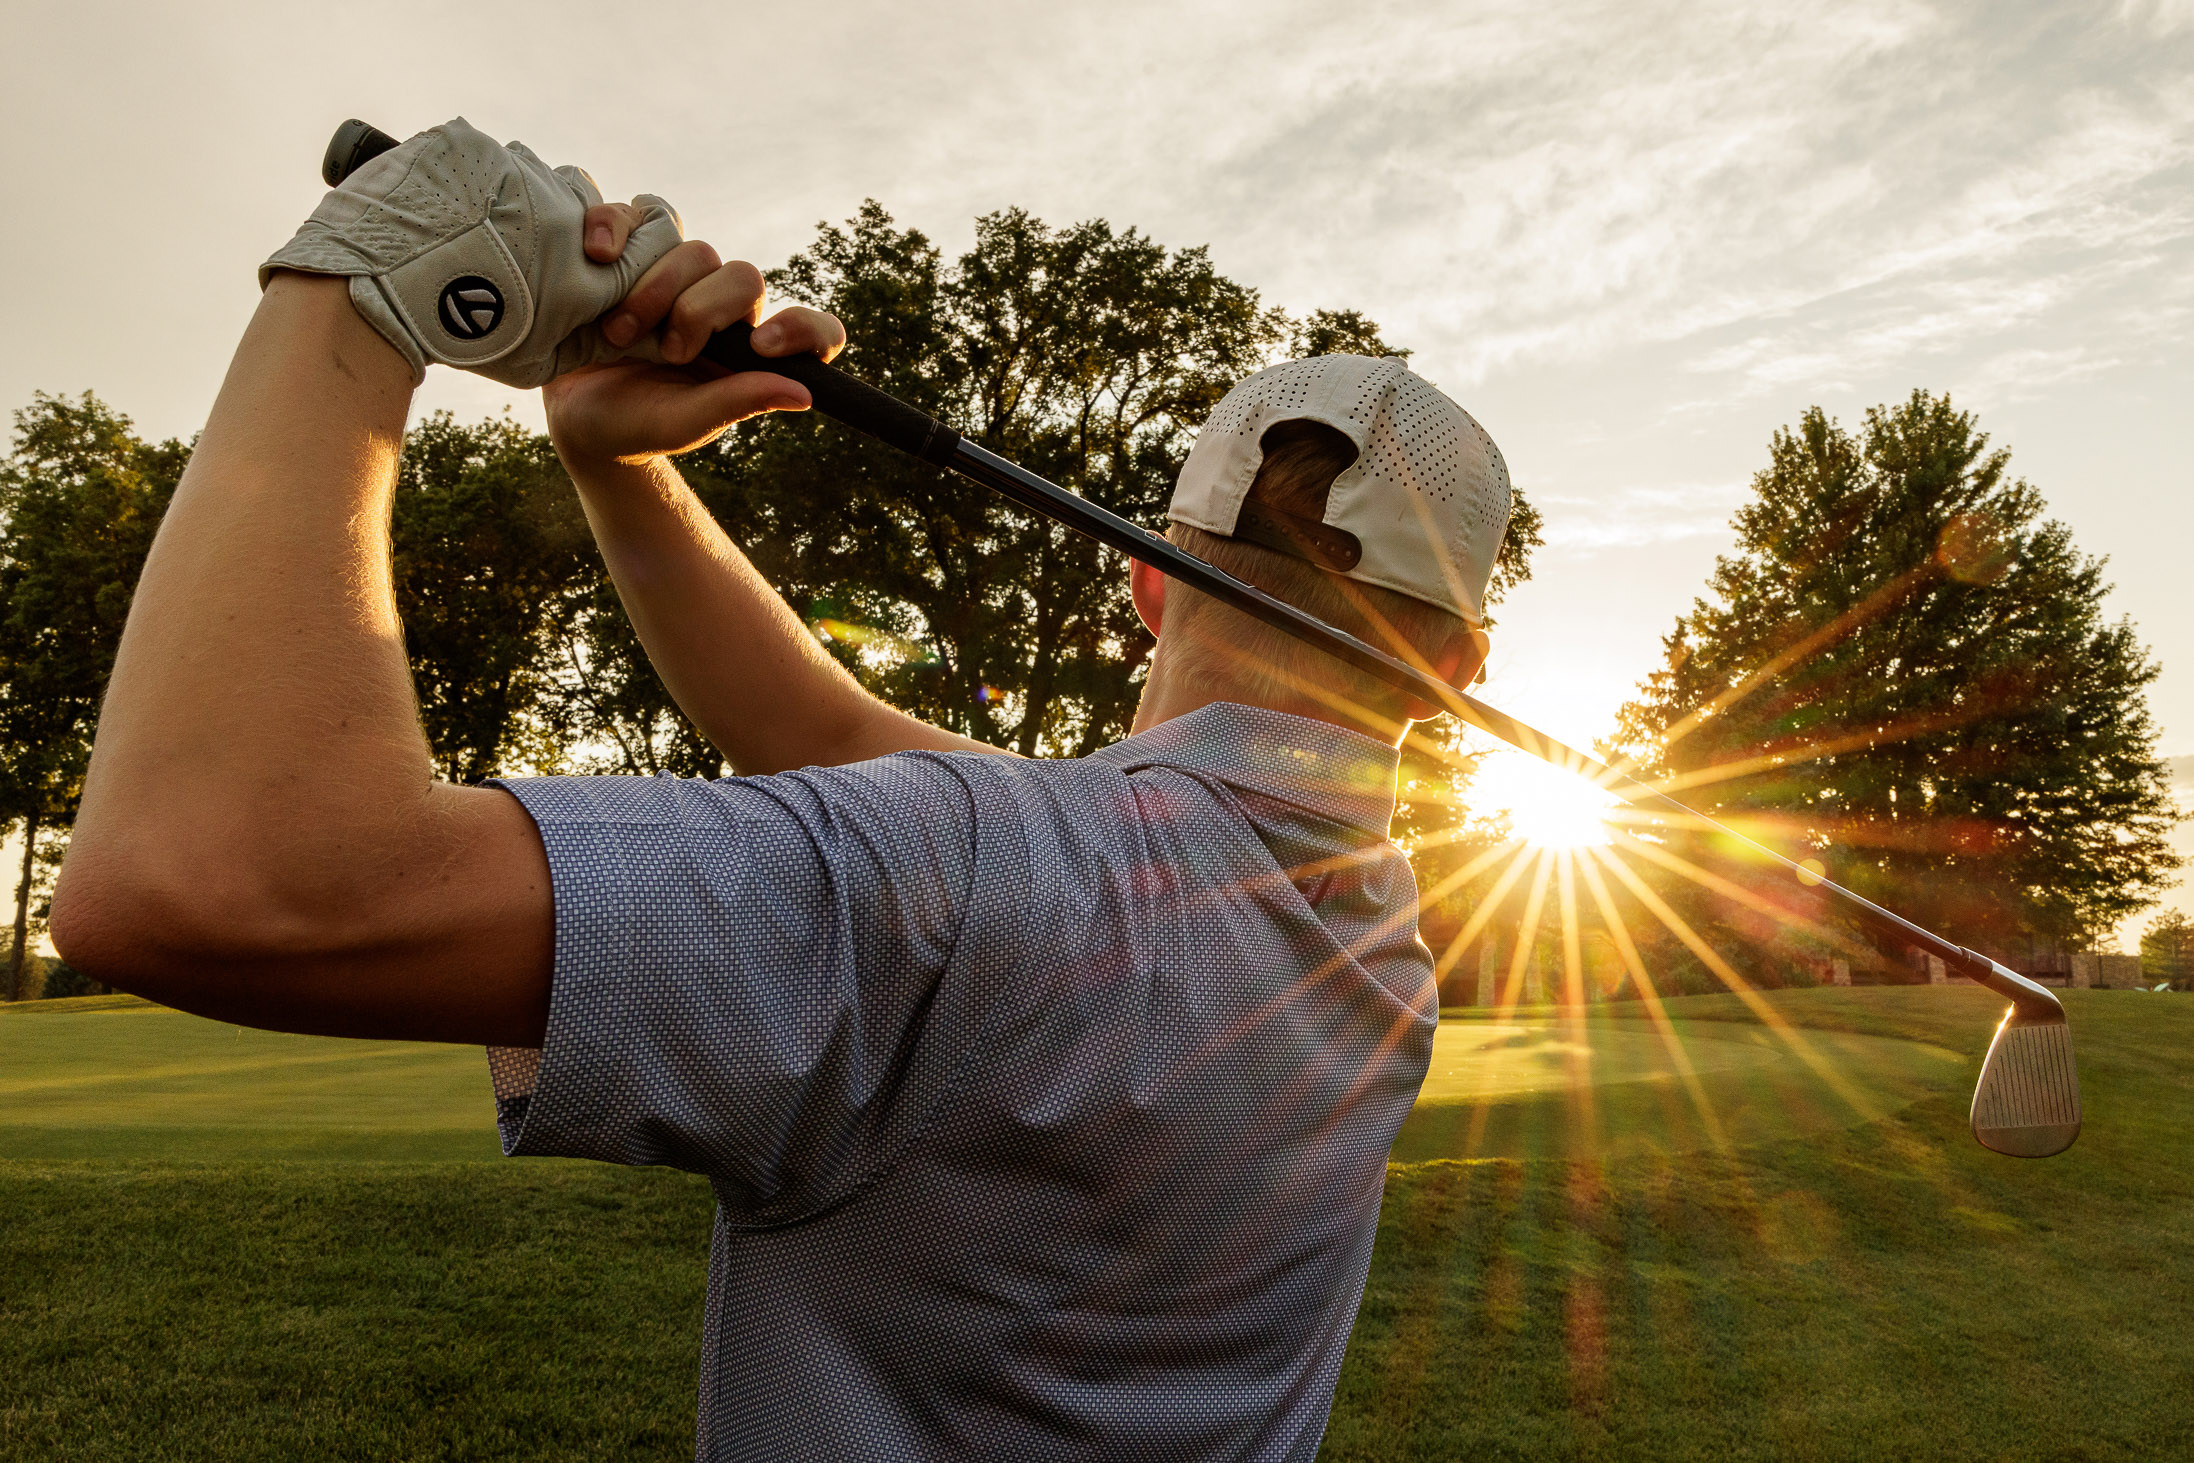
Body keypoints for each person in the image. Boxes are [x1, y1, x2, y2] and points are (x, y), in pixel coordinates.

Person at [54, 120, 1511, 1461]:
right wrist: (616, 469)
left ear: (1143, 579)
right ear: (1458, 663)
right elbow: (847, 749)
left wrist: (364, 288)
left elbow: (215, 880)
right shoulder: (1373, 939)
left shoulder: (996, 873)